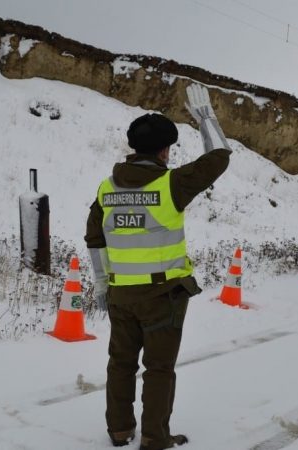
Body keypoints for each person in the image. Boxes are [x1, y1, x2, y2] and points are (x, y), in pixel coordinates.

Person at [84, 84, 231, 450]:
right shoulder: (172, 185)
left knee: (120, 364)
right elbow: (220, 158)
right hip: (162, 296)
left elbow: (95, 238)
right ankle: (154, 437)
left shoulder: (107, 188)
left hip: (120, 295)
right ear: (165, 150)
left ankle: (118, 430)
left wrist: (102, 286)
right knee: (158, 369)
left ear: (133, 147)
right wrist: (207, 119)